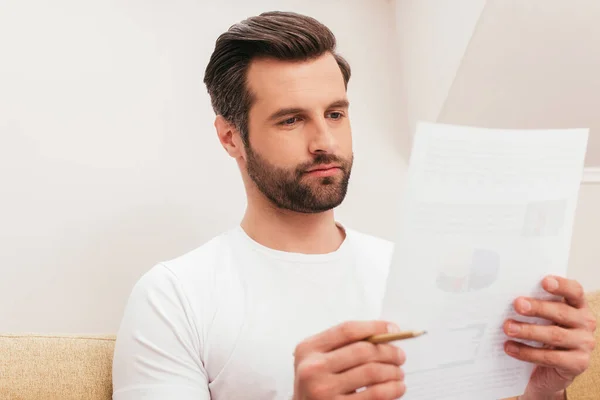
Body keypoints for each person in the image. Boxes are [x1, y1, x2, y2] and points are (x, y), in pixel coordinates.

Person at [111, 10, 596, 400]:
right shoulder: (175, 297)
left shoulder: (413, 273)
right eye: (290, 120)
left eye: (336, 113)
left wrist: (539, 393)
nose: (325, 141)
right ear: (230, 137)